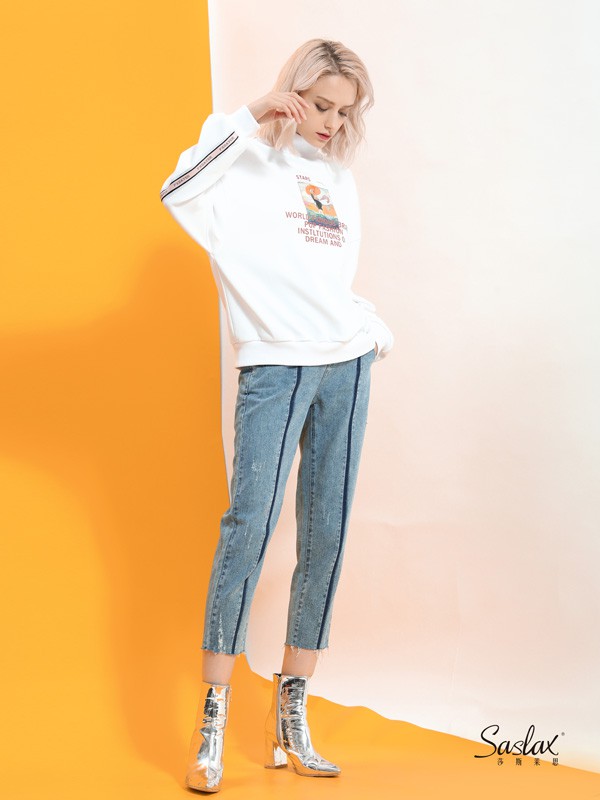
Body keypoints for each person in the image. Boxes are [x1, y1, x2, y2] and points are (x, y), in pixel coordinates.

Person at [160, 38, 394, 793]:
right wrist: (251, 113)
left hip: (346, 365)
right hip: (274, 365)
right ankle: (213, 717)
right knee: (250, 529)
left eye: (344, 112)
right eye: (321, 105)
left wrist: (364, 324)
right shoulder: (239, 159)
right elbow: (175, 190)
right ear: (294, 92)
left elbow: (326, 277)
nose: (331, 122)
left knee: (326, 534)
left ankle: (291, 712)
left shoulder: (335, 178)